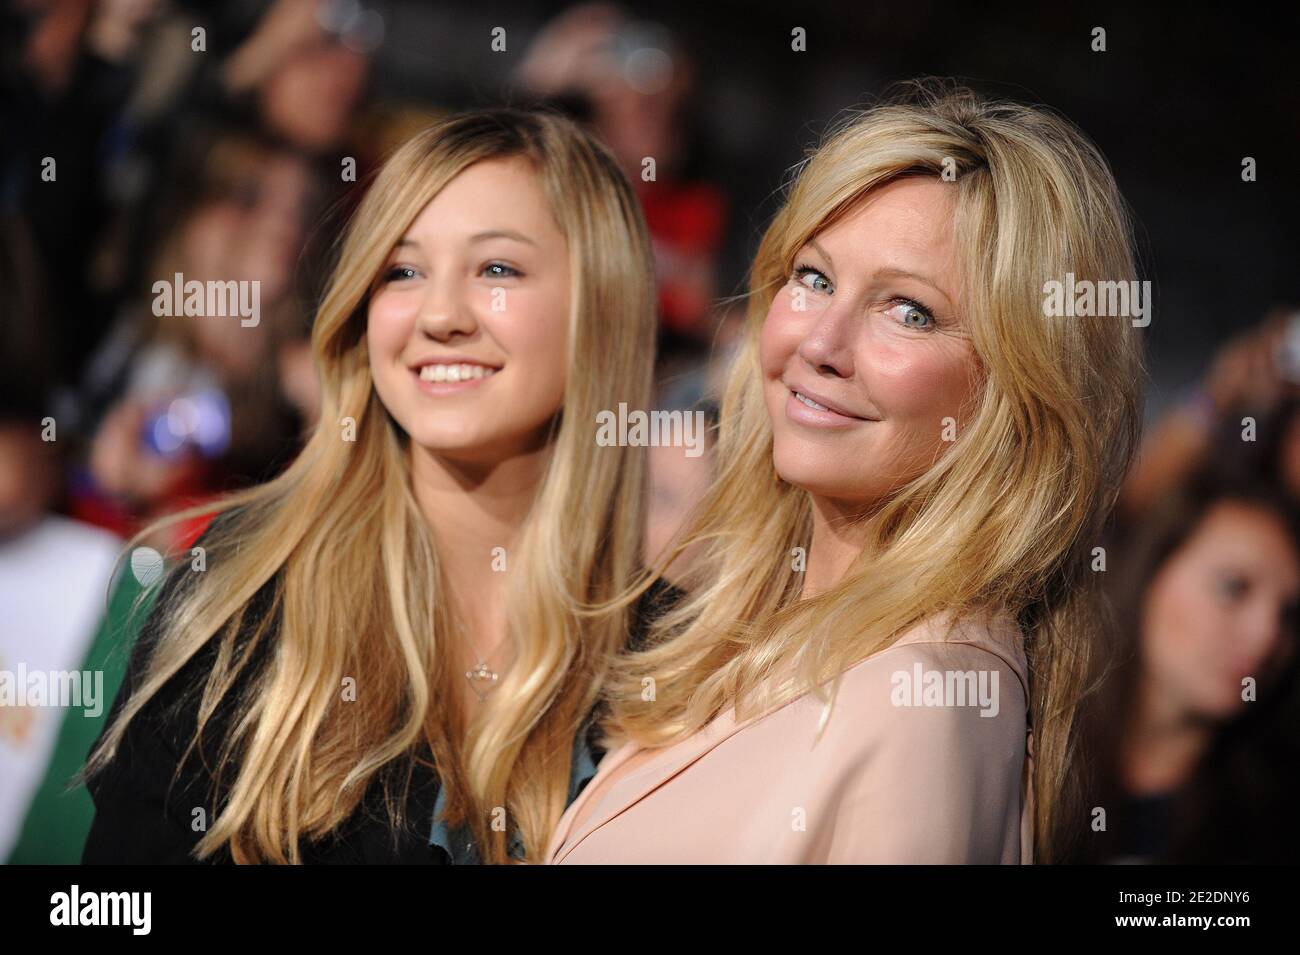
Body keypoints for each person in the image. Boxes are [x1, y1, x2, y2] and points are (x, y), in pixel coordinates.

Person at [546, 79, 1144, 864]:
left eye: (908, 310)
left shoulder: (924, 706)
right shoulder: (751, 628)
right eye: (815, 278)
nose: (820, 343)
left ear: (1017, 387)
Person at [80, 108, 667, 864]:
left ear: (602, 306)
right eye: (402, 270)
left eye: (496, 269)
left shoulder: (671, 662)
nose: (440, 315)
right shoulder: (245, 586)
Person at [1072, 471, 1300, 863]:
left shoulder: (1273, 821)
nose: (1266, 636)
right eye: (1234, 587)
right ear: (1153, 571)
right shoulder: (1026, 755)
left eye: (1289, 616)